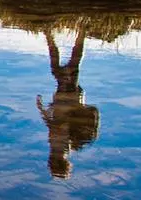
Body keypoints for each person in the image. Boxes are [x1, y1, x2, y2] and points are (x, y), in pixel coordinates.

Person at [35, 28, 100, 179]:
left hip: (69, 97)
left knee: (69, 64)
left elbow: (55, 126)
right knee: (69, 64)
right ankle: (73, 33)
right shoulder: (61, 148)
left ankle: (75, 34)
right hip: (67, 96)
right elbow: (58, 126)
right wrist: (44, 111)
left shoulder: (65, 148)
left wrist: (44, 111)